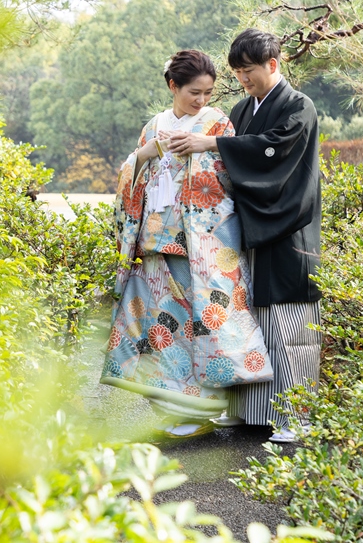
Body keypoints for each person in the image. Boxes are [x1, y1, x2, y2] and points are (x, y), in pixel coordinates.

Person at [101, 50, 274, 439]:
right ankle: (174, 407)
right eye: (194, 92)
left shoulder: (217, 123)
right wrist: (144, 155)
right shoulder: (154, 125)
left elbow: (234, 178)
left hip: (202, 241)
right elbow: (132, 174)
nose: (201, 101)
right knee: (162, 327)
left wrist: (203, 149)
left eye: (208, 93)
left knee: (203, 324)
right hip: (153, 240)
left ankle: (199, 409)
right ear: (172, 86)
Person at [166, 29, 322, 443]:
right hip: (246, 228)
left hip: (288, 229)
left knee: (289, 327)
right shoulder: (241, 107)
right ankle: (247, 411)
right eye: (237, 72)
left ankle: (295, 416)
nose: (243, 79)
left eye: (248, 70)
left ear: (273, 64)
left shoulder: (299, 107)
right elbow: (224, 168)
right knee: (243, 319)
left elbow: (273, 150)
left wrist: (211, 142)